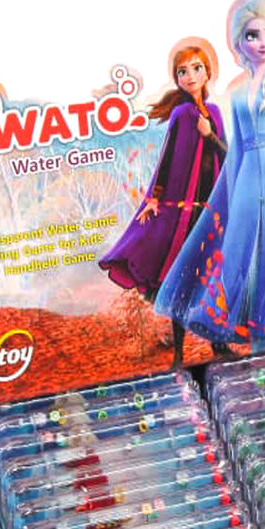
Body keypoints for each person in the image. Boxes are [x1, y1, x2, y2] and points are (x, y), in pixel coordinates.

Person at [155, 0, 265, 353]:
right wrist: (227, 192)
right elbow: (237, 148)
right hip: (245, 176)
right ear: (239, 43)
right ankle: (250, 327)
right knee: (240, 246)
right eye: (252, 35)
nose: (262, 42)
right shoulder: (236, 93)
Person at [99, 43, 226, 366]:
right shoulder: (182, 114)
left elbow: (227, 156)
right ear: (177, 79)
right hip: (185, 213)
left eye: (196, 68)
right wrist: (154, 197)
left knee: (213, 278)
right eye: (183, 71)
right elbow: (168, 158)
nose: (190, 76)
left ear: (208, 72)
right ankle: (180, 353)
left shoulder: (214, 113)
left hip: (210, 211)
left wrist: (209, 134)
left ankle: (218, 344)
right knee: (182, 279)